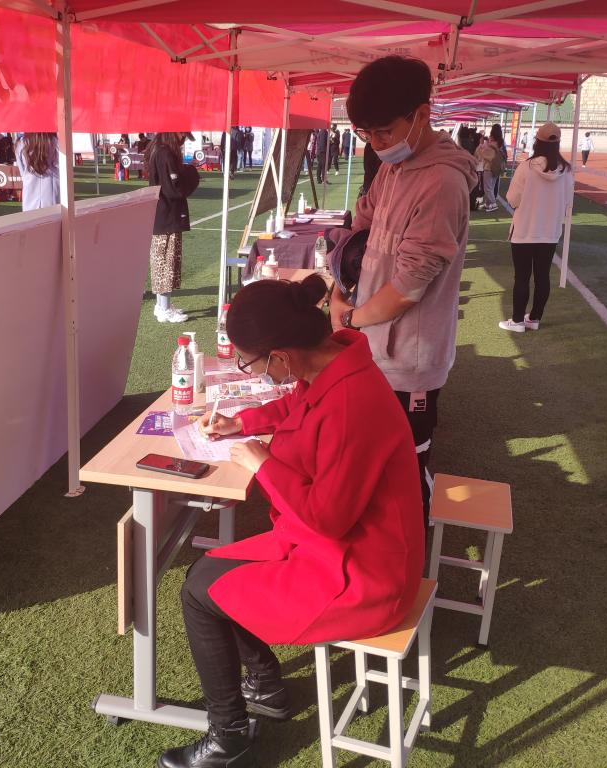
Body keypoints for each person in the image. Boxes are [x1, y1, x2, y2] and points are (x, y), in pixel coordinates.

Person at [156, 274, 426, 768]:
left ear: (280, 356)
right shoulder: (334, 366)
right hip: (333, 548)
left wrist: (263, 463)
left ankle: (229, 737)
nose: (252, 371)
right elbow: (298, 403)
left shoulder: (352, 403)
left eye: (250, 362)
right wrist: (243, 422)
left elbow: (328, 517)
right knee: (203, 577)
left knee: (201, 593)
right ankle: (264, 688)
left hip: (362, 574)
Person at [334, 55, 477, 527]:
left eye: (384, 132)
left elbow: (408, 288)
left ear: (421, 114)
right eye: (366, 134)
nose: (376, 144)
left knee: (404, 469)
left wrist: (348, 318)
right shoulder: (394, 167)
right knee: (369, 459)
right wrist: (339, 285)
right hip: (371, 342)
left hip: (408, 357)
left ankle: (409, 548)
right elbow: (362, 223)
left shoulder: (442, 182)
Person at [499, 122, 574, 333]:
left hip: (524, 230)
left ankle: (517, 321)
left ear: (537, 141)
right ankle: (534, 318)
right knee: (542, 276)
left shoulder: (526, 167)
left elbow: (513, 199)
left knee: (522, 277)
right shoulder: (567, 171)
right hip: (550, 232)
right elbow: (568, 202)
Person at [147, 133, 195, 323]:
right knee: (165, 263)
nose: (183, 139)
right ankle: (164, 308)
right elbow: (174, 189)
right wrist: (190, 173)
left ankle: (162, 305)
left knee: (162, 262)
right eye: (182, 134)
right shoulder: (165, 153)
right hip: (167, 215)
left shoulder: (158, 149)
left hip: (162, 215)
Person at [14, 132, 60, 211]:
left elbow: (22, 171)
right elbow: (60, 165)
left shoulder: (21, 144)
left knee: (31, 217)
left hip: (30, 192)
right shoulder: (56, 142)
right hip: (51, 192)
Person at [475, 137, 500, 212]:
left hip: (488, 168)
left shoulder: (489, 147)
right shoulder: (497, 145)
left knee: (487, 188)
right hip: (496, 169)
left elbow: (479, 154)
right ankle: (488, 203)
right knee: (491, 187)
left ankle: (493, 203)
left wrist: (480, 144)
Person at [490, 123, 508, 199]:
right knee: (496, 181)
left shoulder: (492, 141)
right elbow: (505, 154)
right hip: (499, 164)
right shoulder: (502, 141)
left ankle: (492, 199)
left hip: (492, 163)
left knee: (490, 184)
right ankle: (494, 196)